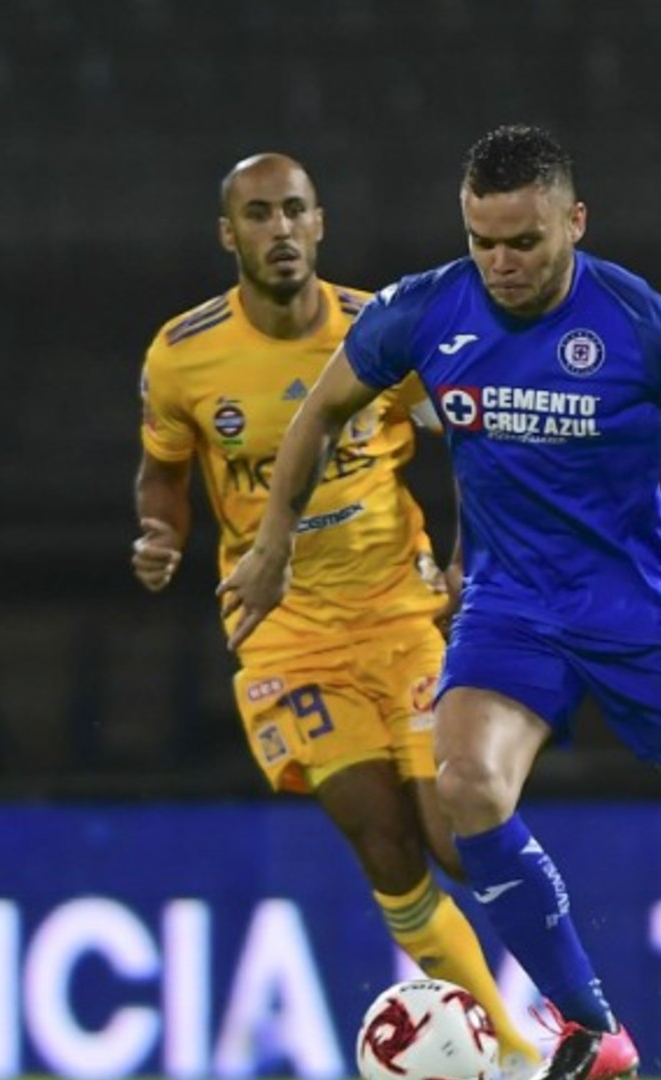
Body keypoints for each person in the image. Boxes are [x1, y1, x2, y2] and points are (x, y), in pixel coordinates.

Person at [219, 126, 661, 1080]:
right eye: (484, 241)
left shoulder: (639, 323)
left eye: (525, 242)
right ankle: (593, 1031)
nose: (501, 264)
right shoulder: (423, 312)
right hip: (510, 612)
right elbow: (320, 412)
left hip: (643, 615)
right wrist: (271, 547)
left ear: (574, 223)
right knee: (467, 786)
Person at [130, 152, 541, 1077]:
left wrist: (479, 554)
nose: (279, 229)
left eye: (295, 211)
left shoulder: (383, 330)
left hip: (403, 615)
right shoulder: (183, 355)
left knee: (459, 838)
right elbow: (162, 472)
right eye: (259, 214)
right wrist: (160, 533)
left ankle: (574, 1003)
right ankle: (514, 1058)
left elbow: (474, 433)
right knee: (383, 839)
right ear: (228, 234)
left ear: (321, 225)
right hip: (286, 632)